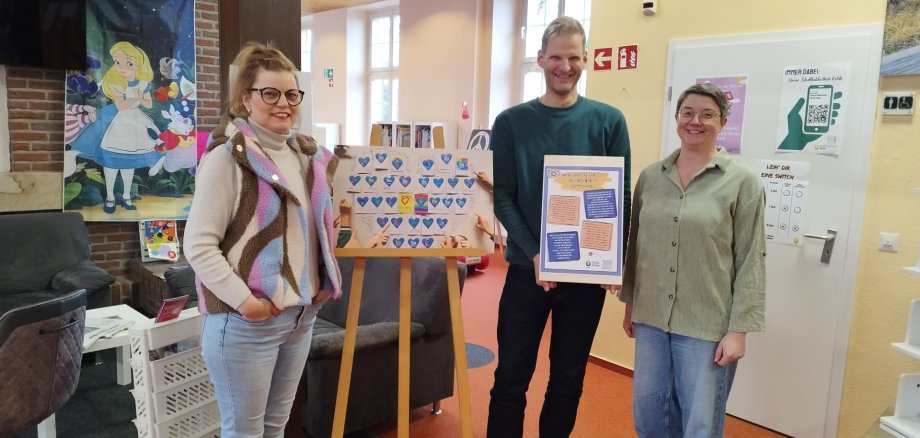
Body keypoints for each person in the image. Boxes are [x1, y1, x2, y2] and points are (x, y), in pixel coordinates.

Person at [184, 41, 342, 437]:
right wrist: (246, 303)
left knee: (276, 426)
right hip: (244, 322)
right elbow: (198, 246)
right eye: (269, 93)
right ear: (246, 98)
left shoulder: (309, 157)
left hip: (300, 317)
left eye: (291, 94)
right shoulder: (227, 159)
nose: (283, 103)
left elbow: (316, 230)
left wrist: (322, 278)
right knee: (245, 432)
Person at [487, 16, 631, 438]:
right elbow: (502, 196)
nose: (564, 66)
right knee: (511, 377)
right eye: (555, 57)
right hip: (525, 271)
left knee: (568, 381)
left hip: (584, 278)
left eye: (573, 57)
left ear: (585, 59)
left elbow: (617, 195)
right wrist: (535, 253)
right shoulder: (511, 122)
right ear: (540, 59)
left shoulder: (609, 121)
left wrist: (611, 257)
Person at [618, 82, 766, 438]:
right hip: (651, 318)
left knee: (699, 423)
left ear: (723, 120)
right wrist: (630, 305)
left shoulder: (742, 183)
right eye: (687, 112)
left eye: (707, 114)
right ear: (676, 117)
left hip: (706, 326)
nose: (695, 121)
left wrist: (738, 331)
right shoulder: (651, 177)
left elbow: (751, 259)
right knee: (649, 413)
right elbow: (637, 245)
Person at [69, 41, 162, 214]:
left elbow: (148, 104)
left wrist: (141, 98)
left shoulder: (143, 83)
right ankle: (110, 197)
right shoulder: (116, 82)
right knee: (111, 163)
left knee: (129, 164)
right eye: (118, 62)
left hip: (136, 123)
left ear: (138, 66)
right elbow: (120, 106)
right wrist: (135, 99)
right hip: (118, 121)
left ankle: (126, 196)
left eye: (129, 63)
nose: (122, 67)